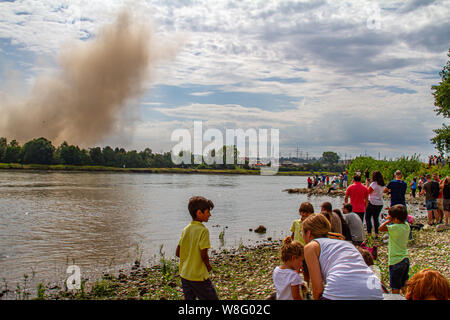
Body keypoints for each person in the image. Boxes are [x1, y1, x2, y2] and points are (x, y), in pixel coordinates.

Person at [302, 214, 383, 300]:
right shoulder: (345, 244)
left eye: (302, 232)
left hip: (342, 290)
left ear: (308, 233)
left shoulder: (311, 246)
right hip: (374, 290)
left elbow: (318, 289)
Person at [176, 196, 218, 300]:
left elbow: (178, 252)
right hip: (198, 276)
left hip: (185, 275)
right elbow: (203, 254)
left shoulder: (186, 229)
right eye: (208, 212)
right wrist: (208, 266)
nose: (210, 215)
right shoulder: (203, 231)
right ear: (199, 213)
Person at [379, 204, 410, 294]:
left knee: (395, 287)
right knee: (404, 284)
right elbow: (401, 218)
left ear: (395, 219)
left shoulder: (394, 228)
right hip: (405, 259)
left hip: (395, 261)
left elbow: (380, 228)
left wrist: (388, 220)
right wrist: (392, 214)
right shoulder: (406, 226)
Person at [366, 170, 385, 238]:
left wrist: (367, 184)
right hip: (380, 202)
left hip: (372, 202)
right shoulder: (382, 184)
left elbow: (367, 192)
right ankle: (376, 233)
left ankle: (369, 233)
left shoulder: (374, 184)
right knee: (375, 218)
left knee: (368, 218)